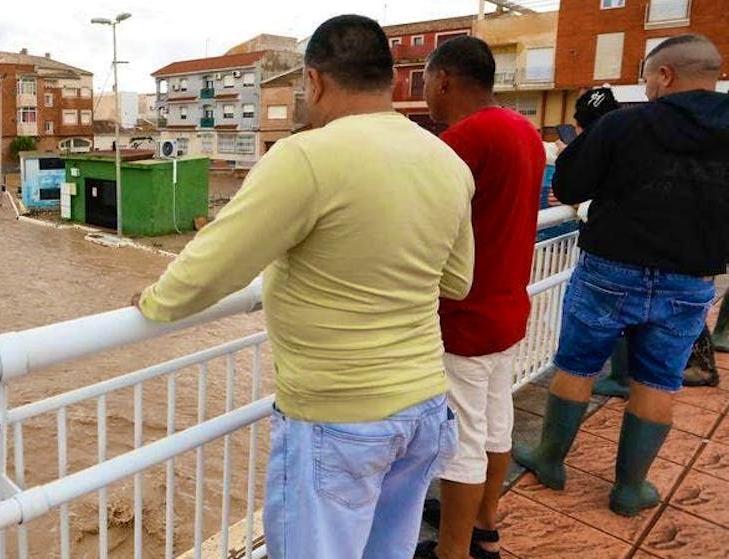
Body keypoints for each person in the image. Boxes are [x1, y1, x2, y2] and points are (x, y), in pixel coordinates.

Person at [132, 15, 475, 559]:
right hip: (424, 407)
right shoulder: (447, 161)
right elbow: (457, 281)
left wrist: (153, 302)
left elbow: (213, 266)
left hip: (339, 418)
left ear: (314, 81)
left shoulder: (306, 157)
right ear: (388, 79)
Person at [513, 34, 729, 517]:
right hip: (690, 278)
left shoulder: (623, 124)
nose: (647, 88)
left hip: (610, 269)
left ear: (665, 75)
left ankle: (550, 460)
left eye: (648, 78)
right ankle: (629, 489)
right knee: (657, 381)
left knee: (577, 367)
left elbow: (569, 184)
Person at [414, 37, 544, 559]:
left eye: (425, 79)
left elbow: (420, 223)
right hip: (508, 306)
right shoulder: (523, 129)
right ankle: (485, 525)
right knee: (495, 422)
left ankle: (452, 552)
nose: (424, 90)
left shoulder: (463, 140)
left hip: (466, 315)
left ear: (443, 79)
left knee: (461, 440)